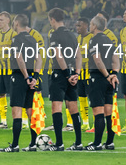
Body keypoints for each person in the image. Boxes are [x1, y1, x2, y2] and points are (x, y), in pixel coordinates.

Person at [76, 15, 120, 150]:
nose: (89, 26)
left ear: (94, 26)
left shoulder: (94, 40)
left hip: (98, 77)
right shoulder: (109, 40)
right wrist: (114, 75)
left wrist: (106, 75)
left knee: (98, 111)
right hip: (109, 80)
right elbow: (116, 59)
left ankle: (97, 143)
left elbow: (97, 60)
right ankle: (110, 142)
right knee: (108, 112)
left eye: (90, 24)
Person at [0, 14, 41, 152]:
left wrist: (26, 76)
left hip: (19, 77)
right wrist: (35, 76)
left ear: (16, 23)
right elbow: (39, 59)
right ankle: (33, 144)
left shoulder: (16, 39)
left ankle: (15, 145)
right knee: (30, 111)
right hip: (31, 79)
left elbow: (19, 58)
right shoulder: (33, 39)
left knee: (16, 111)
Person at [47, 8, 81, 151]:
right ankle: (78, 143)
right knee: (73, 107)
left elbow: (58, 55)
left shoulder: (55, 35)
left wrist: (66, 75)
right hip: (73, 73)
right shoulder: (72, 35)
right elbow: (78, 55)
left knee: (57, 107)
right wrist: (76, 74)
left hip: (60, 74)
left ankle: (59, 143)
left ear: (52, 19)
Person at [0, 11, 16, 129]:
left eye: (1, 19)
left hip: (10, 71)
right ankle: (3, 122)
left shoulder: (13, 34)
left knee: (14, 96)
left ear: (8, 20)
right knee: (1, 95)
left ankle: (19, 121)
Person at [75, 17, 93, 131]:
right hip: (80, 73)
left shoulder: (92, 38)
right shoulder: (77, 39)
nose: (77, 27)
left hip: (90, 73)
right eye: (76, 25)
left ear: (86, 26)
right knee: (81, 98)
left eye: (79, 25)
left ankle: (96, 123)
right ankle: (85, 122)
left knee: (93, 99)